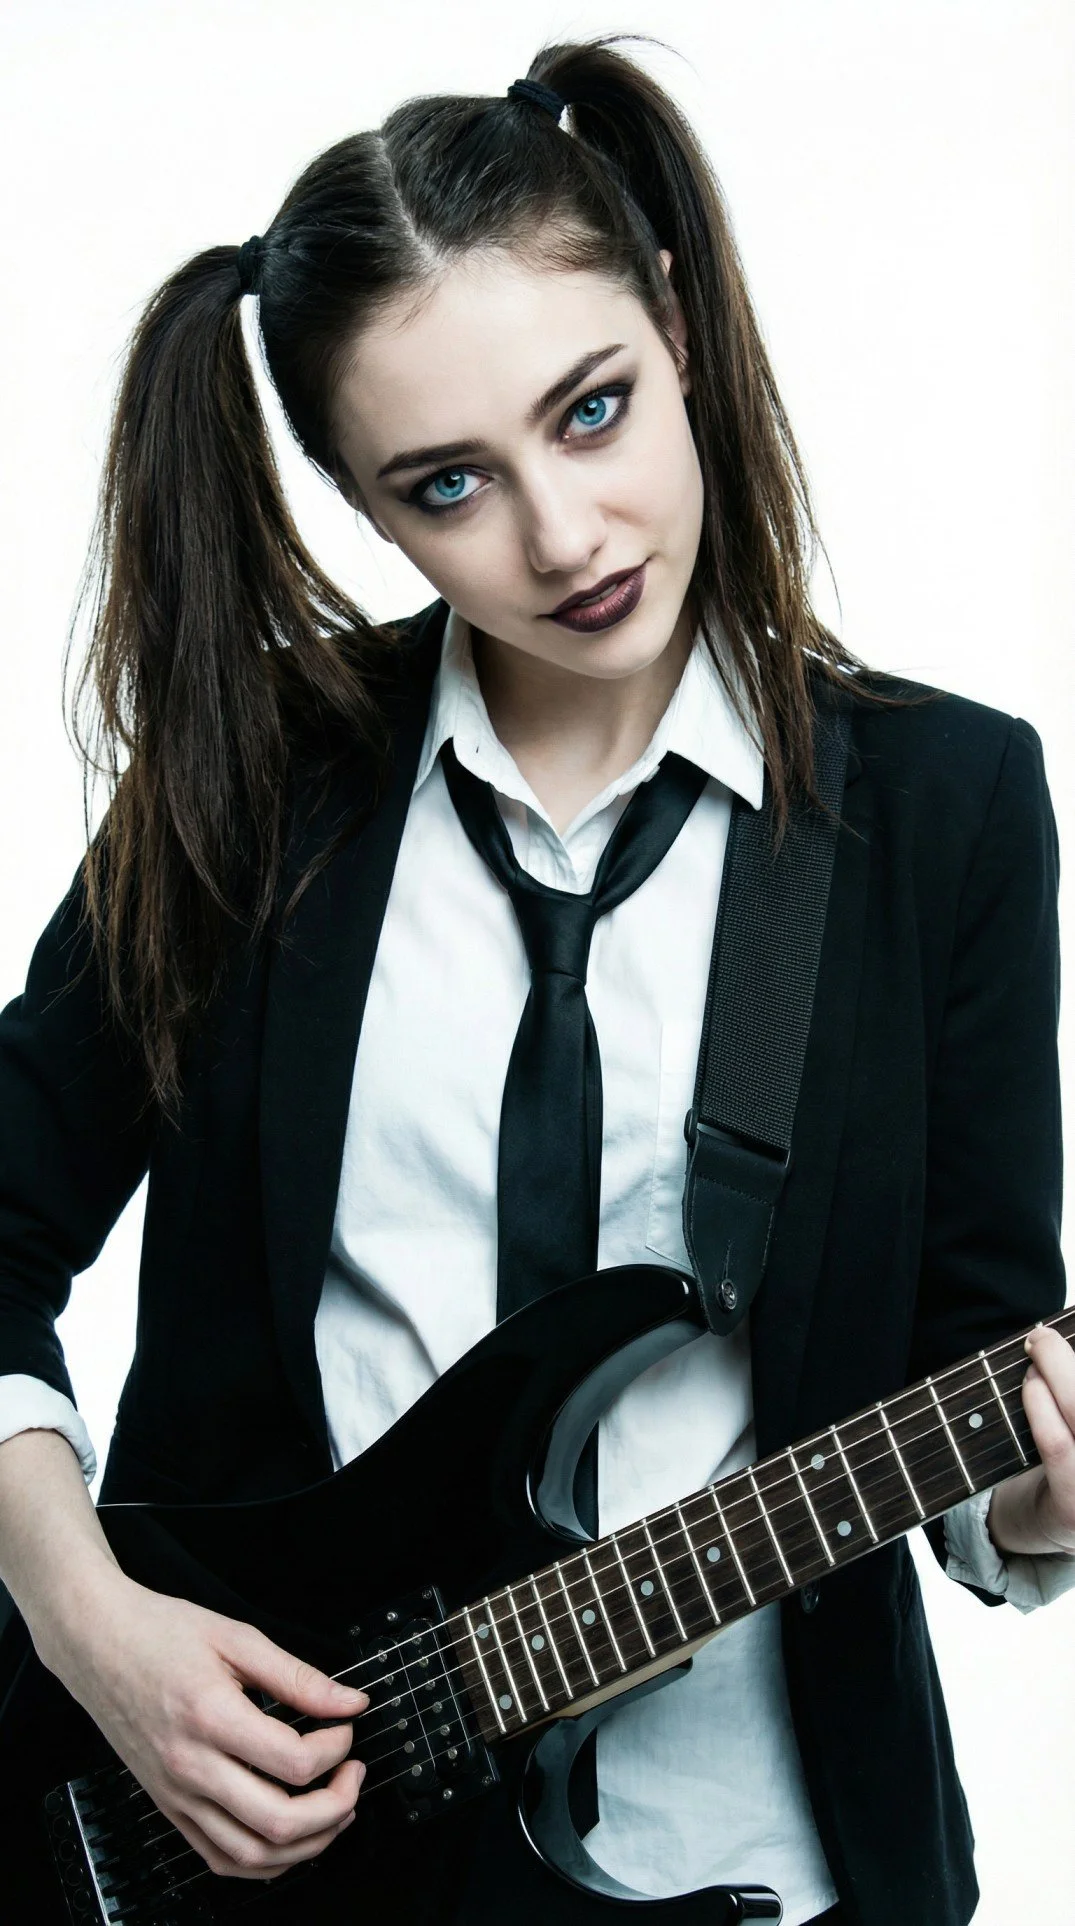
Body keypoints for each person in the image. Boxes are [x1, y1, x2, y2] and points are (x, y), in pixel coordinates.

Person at [0, 32, 1072, 1926]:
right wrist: (84, 1617)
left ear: (672, 323)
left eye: (590, 411)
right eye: (445, 485)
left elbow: (977, 1358)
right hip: (256, 1859)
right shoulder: (252, 802)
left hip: (775, 1865)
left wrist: (1036, 1503)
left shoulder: (947, 807)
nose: (562, 539)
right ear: (355, 498)